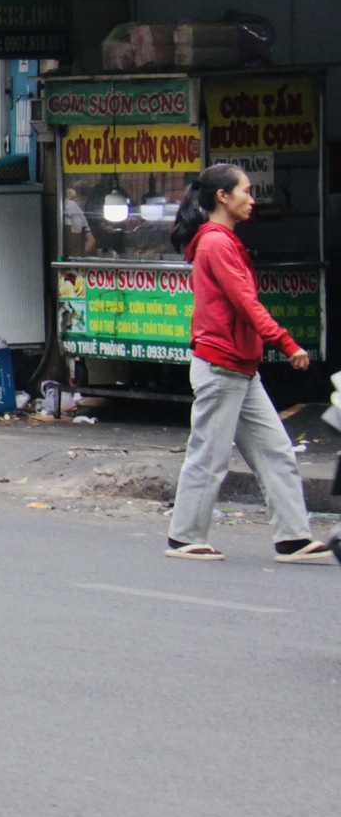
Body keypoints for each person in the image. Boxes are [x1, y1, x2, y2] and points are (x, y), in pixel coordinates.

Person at [162, 164, 328, 563]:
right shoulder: (216, 243)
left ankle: (293, 538)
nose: (252, 200)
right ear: (223, 197)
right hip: (222, 366)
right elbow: (246, 303)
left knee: (276, 451)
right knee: (210, 456)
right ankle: (185, 537)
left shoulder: (221, 241)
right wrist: (287, 343)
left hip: (239, 368)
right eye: (246, 191)